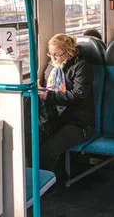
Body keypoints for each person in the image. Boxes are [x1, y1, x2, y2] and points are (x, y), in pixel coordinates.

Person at [38, 34, 95, 174]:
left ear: (68, 51)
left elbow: (79, 96)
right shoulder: (52, 67)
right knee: (32, 141)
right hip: (56, 118)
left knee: (48, 150)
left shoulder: (81, 67)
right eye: (50, 54)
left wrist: (49, 96)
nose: (52, 59)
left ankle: (49, 187)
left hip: (79, 123)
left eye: (56, 55)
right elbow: (47, 86)